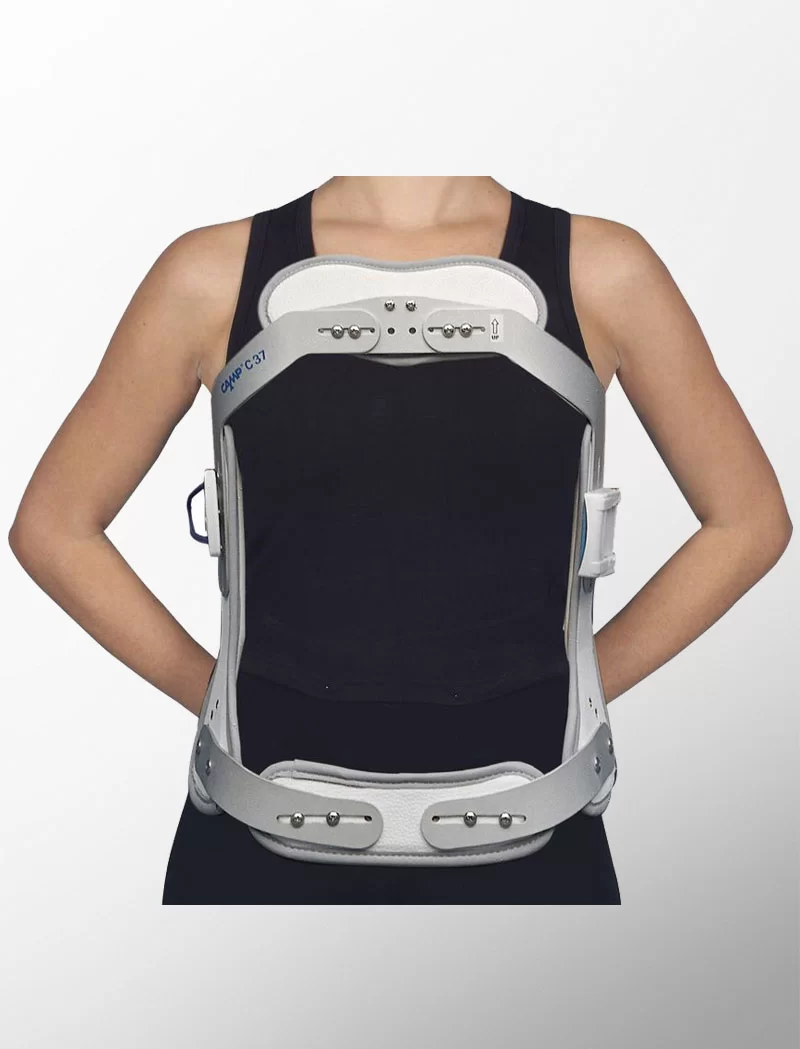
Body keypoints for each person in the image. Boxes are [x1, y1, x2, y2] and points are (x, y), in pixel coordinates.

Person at [8, 176, 792, 904]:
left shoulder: (603, 270)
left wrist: (582, 684)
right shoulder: (209, 274)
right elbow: (54, 527)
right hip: (253, 851)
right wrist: (210, 691)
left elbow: (748, 522)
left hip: (536, 843)